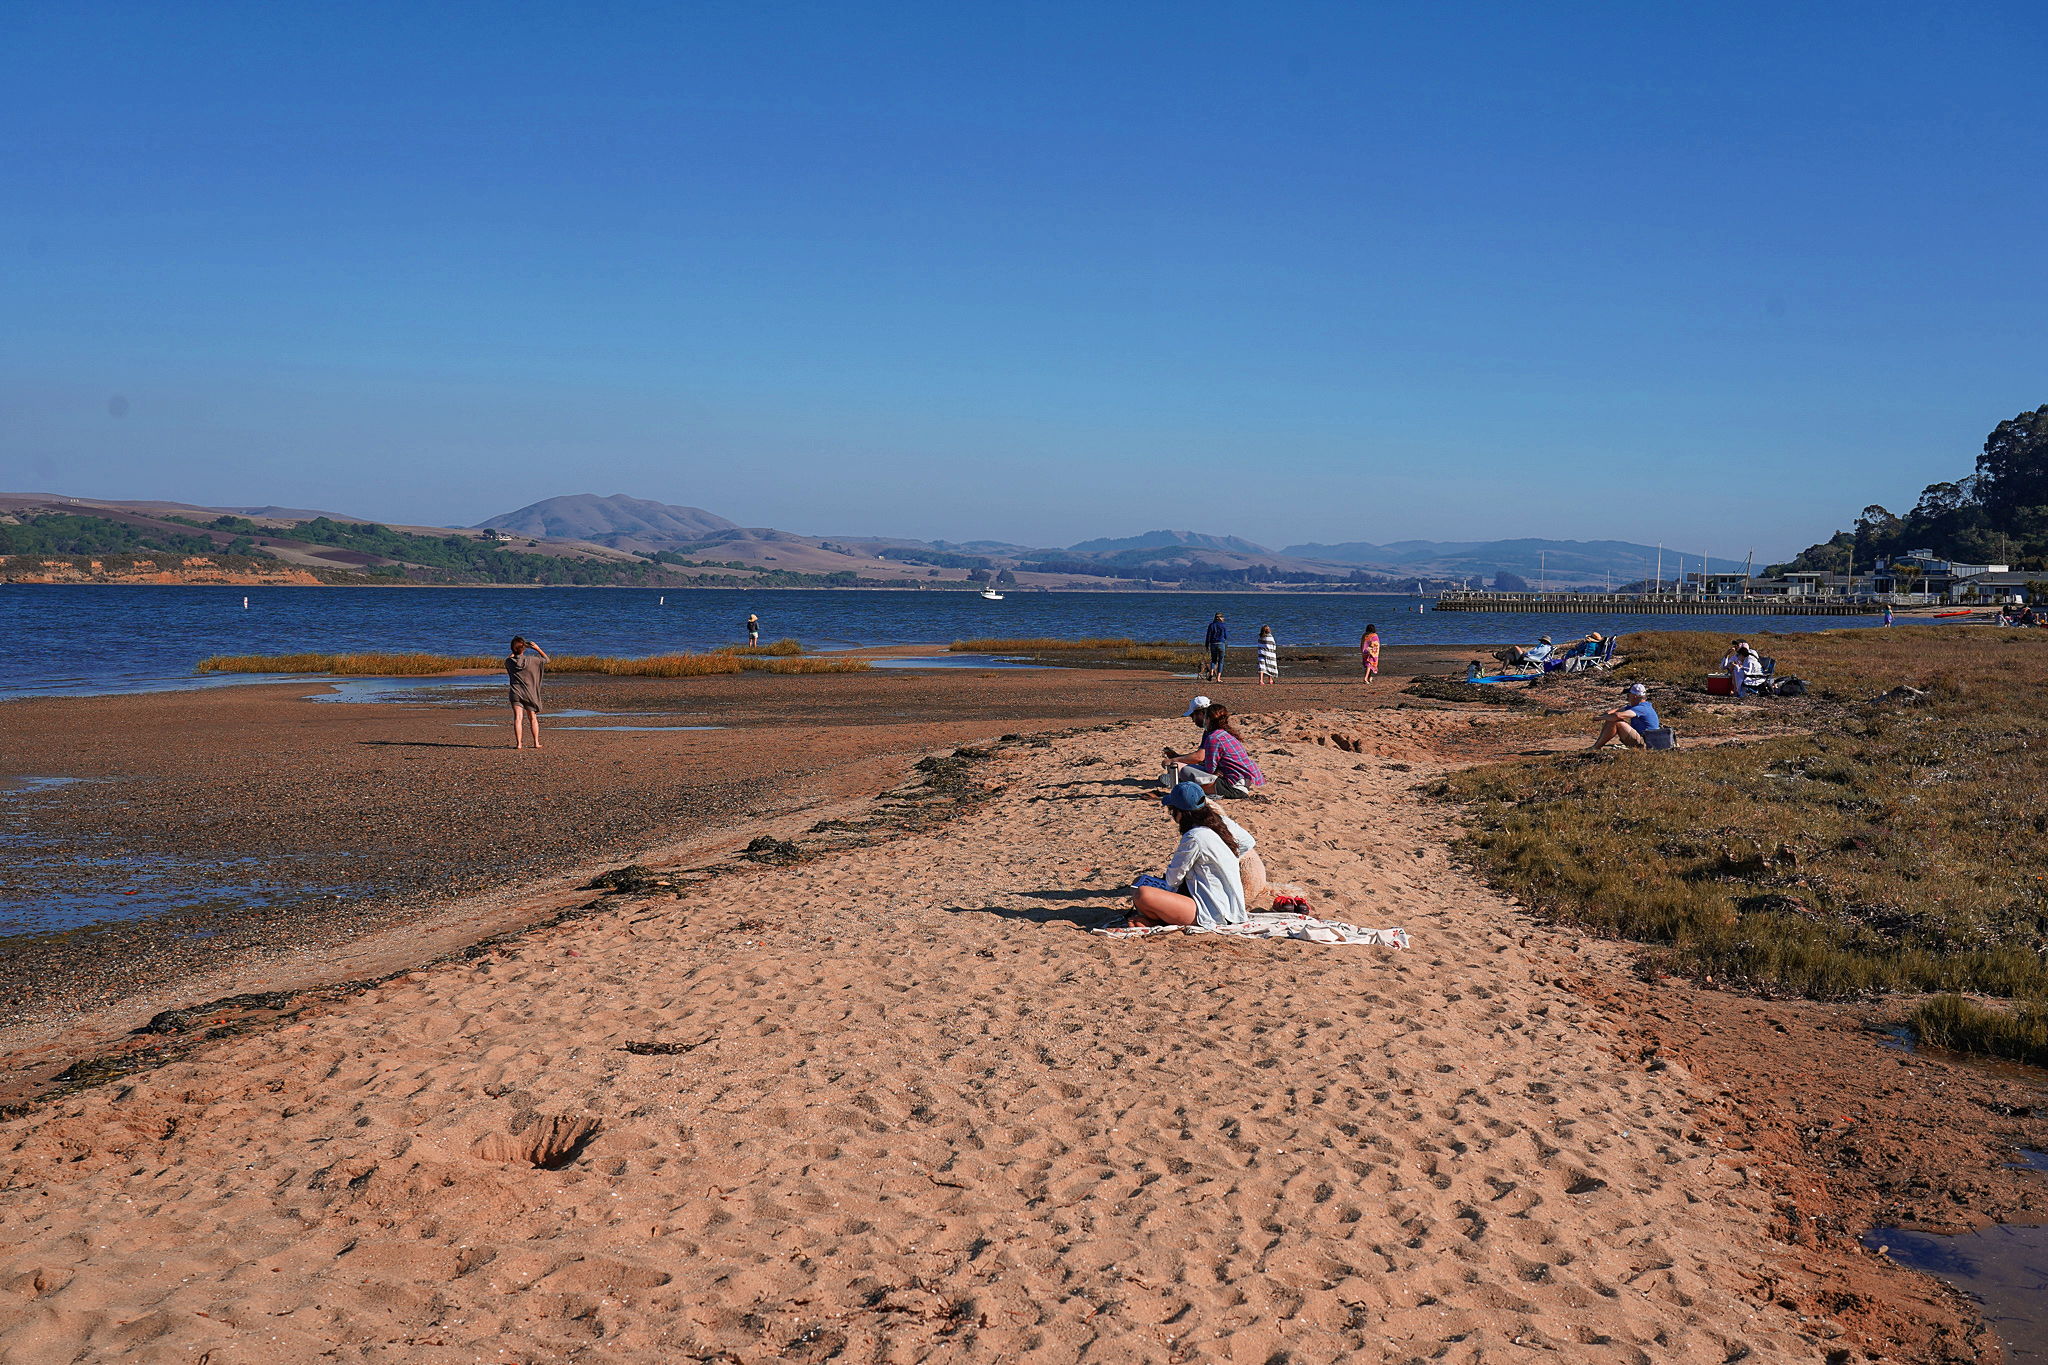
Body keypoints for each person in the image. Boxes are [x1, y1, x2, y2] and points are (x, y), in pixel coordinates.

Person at [1128, 782, 1248, 929]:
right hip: (1229, 905)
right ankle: (1157, 918)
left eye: (1172, 811)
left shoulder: (1194, 836)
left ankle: (1159, 919)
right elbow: (1247, 842)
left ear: (1180, 813)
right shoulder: (1219, 823)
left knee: (1142, 894)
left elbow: (1173, 879)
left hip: (1213, 911)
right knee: (1140, 881)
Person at [1162, 701, 1266, 797]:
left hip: (1233, 786)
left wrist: (1174, 760)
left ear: (1205, 717)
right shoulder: (1225, 733)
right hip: (1243, 780)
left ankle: (1178, 783)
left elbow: (1204, 762)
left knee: (1177, 767)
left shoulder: (1213, 737)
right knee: (1186, 767)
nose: (1193, 720)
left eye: (1193, 716)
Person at [506, 636, 550, 750]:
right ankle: (536, 742)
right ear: (524, 648)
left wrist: (514, 652)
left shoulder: (509, 662)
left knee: (518, 718)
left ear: (512, 649)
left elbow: (508, 659)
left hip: (516, 693)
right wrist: (537, 648)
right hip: (530, 693)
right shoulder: (532, 660)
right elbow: (546, 659)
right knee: (532, 718)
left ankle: (519, 744)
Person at [1591, 682, 1659, 749]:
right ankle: (1597, 746)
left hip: (1645, 743)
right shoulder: (1640, 706)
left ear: (1634, 696)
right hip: (1644, 739)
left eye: (1629, 695)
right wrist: (1605, 715)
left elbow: (1618, 716)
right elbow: (1617, 710)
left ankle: (1596, 747)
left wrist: (1599, 718)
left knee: (1616, 721)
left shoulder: (1641, 708)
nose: (1628, 697)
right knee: (1612, 719)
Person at [1203, 613, 1229, 681]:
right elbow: (1226, 636)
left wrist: (1206, 645)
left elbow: (1208, 636)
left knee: (1213, 659)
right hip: (1221, 643)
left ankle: (1211, 672)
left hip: (1213, 644)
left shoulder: (1211, 625)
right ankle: (1218, 678)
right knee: (1221, 661)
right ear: (1221, 618)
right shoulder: (1223, 625)